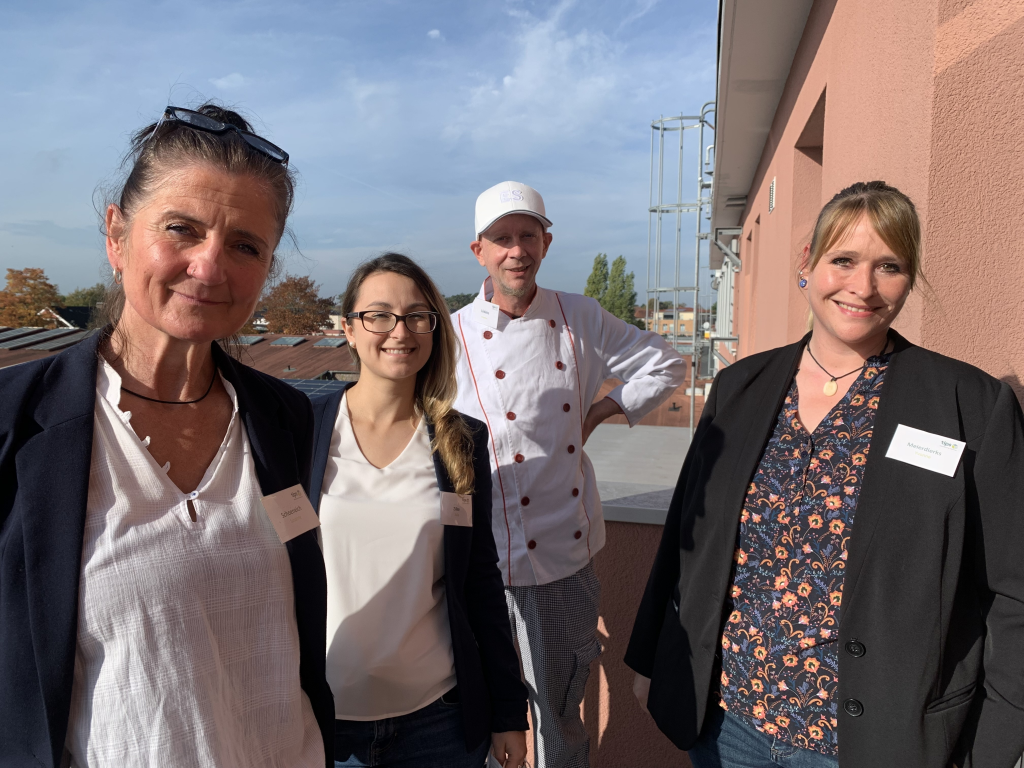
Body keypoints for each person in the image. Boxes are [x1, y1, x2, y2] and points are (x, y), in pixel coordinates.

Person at [626, 181, 1024, 768]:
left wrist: (993, 747)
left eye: (889, 266)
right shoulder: (740, 388)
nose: (863, 287)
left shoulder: (969, 405)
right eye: (844, 260)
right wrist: (650, 657)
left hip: (876, 743)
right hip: (726, 726)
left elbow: (1013, 593)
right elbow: (687, 539)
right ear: (807, 264)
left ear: (909, 278)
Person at [0, 104, 333, 767]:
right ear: (116, 235)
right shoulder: (16, 421)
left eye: (245, 246)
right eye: (182, 228)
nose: (209, 268)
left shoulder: (283, 417)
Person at [451, 181, 686, 768]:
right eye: (502, 239)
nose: (516, 251)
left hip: (562, 556)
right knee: (479, 713)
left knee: (557, 713)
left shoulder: (581, 315)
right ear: (479, 251)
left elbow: (667, 364)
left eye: (527, 236)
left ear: (546, 243)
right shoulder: (451, 333)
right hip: (478, 560)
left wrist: (601, 410)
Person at [306, 253, 529, 768]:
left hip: (437, 724)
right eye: (378, 315)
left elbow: (480, 580)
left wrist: (508, 711)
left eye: (416, 316)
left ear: (434, 328)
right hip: (321, 724)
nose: (399, 331)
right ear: (349, 329)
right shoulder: (304, 428)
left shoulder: (460, 439)